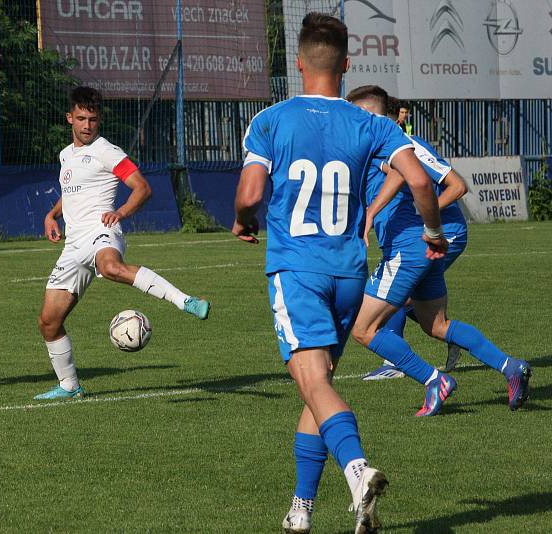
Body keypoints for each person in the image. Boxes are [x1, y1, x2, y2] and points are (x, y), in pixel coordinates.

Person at [233, 14, 447, 534]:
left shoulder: (271, 120)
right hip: (350, 272)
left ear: (299, 64)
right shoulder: (372, 123)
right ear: (347, 65)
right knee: (317, 386)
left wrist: (242, 221)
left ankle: (356, 471)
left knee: (312, 382)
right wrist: (433, 232)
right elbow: (419, 180)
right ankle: (300, 510)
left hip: (297, 269)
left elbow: (250, 195)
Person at [346, 86, 532, 415]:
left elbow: (436, 181)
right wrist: (373, 215)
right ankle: (510, 366)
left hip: (415, 245)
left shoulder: (392, 143)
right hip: (424, 246)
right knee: (436, 325)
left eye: (352, 117)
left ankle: (433, 379)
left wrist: (410, 216)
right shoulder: (379, 147)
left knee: (362, 327)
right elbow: (397, 175)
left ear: (368, 116)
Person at [35, 86, 210, 401]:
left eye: (93, 119)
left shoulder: (107, 151)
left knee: (110, 267)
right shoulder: (66, 154)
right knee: (49, 322)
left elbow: (141, 187)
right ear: (69, 119)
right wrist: (52, 215)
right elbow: (73, 191)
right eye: (82, 119)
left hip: (103, 231)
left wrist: (121, 212)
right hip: (74, 245)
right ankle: (69, 386)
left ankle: (185, 301)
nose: (88, 125)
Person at [362, 95, 468, 380]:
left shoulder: (411, 147)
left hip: (448, 232)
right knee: (407, 297)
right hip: (423, 234)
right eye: (402, 114)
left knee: (398, 293)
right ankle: (449, 336)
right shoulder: (385, 151)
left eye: (404, 116)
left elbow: (458, 186)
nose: (404, 120)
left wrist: (423, 211)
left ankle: (396, 361)